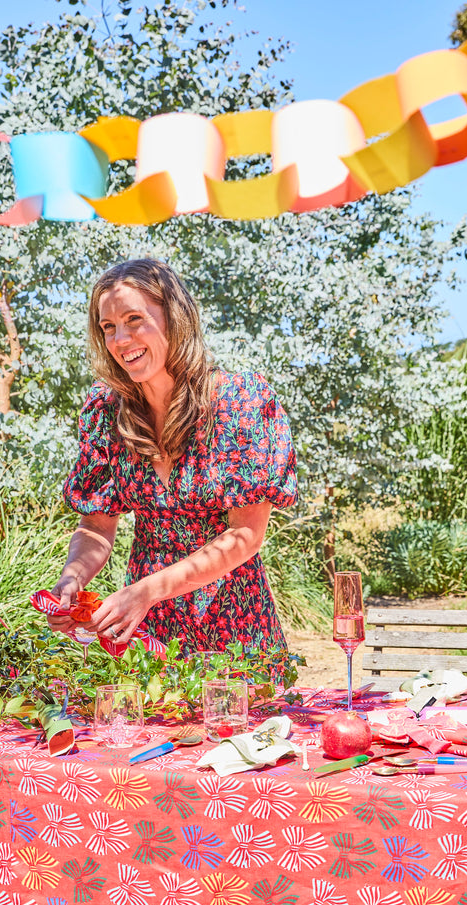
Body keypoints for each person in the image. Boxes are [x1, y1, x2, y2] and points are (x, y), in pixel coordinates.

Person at [48, 258, 298, 661]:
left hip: (236, 628)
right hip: (147, 631)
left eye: (134, 319)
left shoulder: (238, 402)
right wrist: (72, 578)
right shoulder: (106, 411)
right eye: (108, 327)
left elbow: (246, 536)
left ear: (175, 318)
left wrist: (148, 590)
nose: (120, 339)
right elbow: (96, 524)